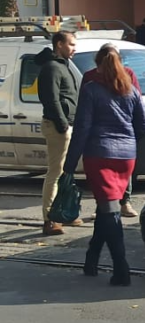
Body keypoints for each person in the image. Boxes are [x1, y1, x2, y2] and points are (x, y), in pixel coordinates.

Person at [64, 47, 145, 286]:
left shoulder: (91, 90)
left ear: (98, 66)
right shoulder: (131, 90)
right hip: (125, 157)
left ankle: (121, 269)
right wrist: (129, 141)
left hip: (99, 155)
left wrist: (69, 165)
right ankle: (91, 259)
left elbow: (82, 129)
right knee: (106, 208)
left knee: (110, 211)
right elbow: (144, 125)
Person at [83, 44, 142, 218]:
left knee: (104, 178)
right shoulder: (90, 78)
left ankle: (121, 203)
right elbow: (140, 112)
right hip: (118, 138)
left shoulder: (126, 75)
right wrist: (133, 136)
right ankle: (106, 209)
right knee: (117, 173)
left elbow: (83, 118)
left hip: (102, 140)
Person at [35, 31, 81, 235]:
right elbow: (50, 99)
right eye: (71, 44)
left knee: (64, 173)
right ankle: (50, 219)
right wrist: (62, 124)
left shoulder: (63, 66)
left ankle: (63, 213)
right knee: (55, 173)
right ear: (59, 44)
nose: (74, 48)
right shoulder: (53, 67)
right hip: (57, 126)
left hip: (66, 124)